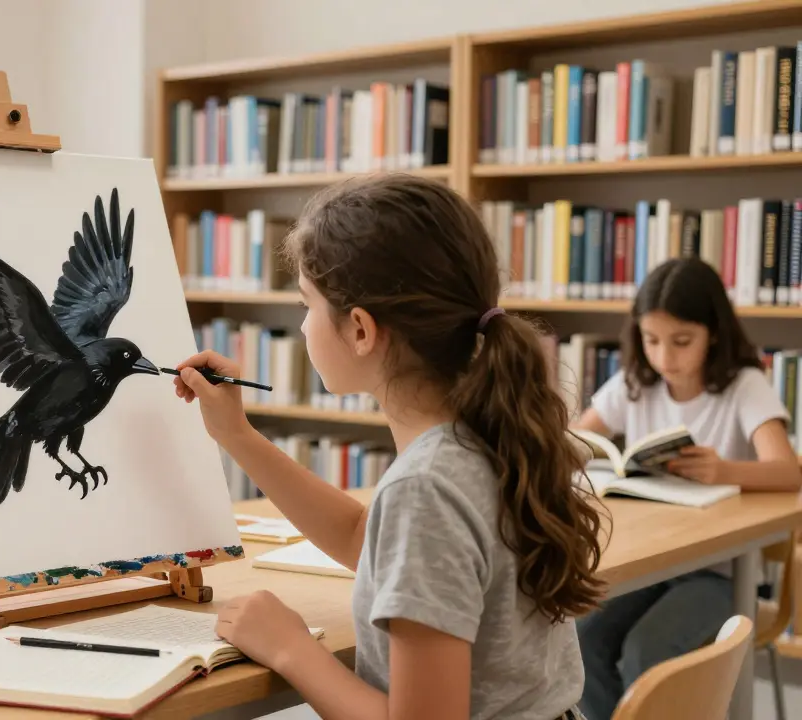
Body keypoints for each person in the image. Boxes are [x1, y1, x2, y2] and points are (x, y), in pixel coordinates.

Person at [173, 175, 602, 719]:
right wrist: (237, 435)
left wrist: (290, 647)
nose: (304, 327)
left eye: (307, 304)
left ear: (360, 330)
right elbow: (364, 539)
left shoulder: (427, 487)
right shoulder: (484, 436)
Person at [571, 256, 801, 720]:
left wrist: (726, 471)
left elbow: (789, 471)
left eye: (681, 342)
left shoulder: (744, 385)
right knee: (580, 637)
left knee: (644, 652)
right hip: (654, 562)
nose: (665, 358)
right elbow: (575, 441)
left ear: (712, 333)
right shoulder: (637, 383)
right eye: (651, 341)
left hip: (722, 575)